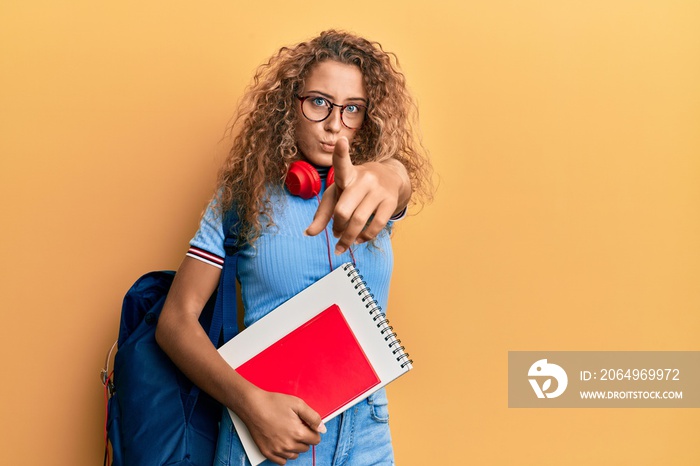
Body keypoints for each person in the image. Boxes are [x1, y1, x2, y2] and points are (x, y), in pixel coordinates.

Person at [156, 30, 432, 465]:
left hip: (367, 436)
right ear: (291, 103)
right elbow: (174, 322)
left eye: (353, 109)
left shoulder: (369, 192)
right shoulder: (241, 198)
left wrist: (393, 173)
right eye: (319, 102)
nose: (334, 124)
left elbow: (397, 186)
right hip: (266, 433)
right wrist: (250, 405)